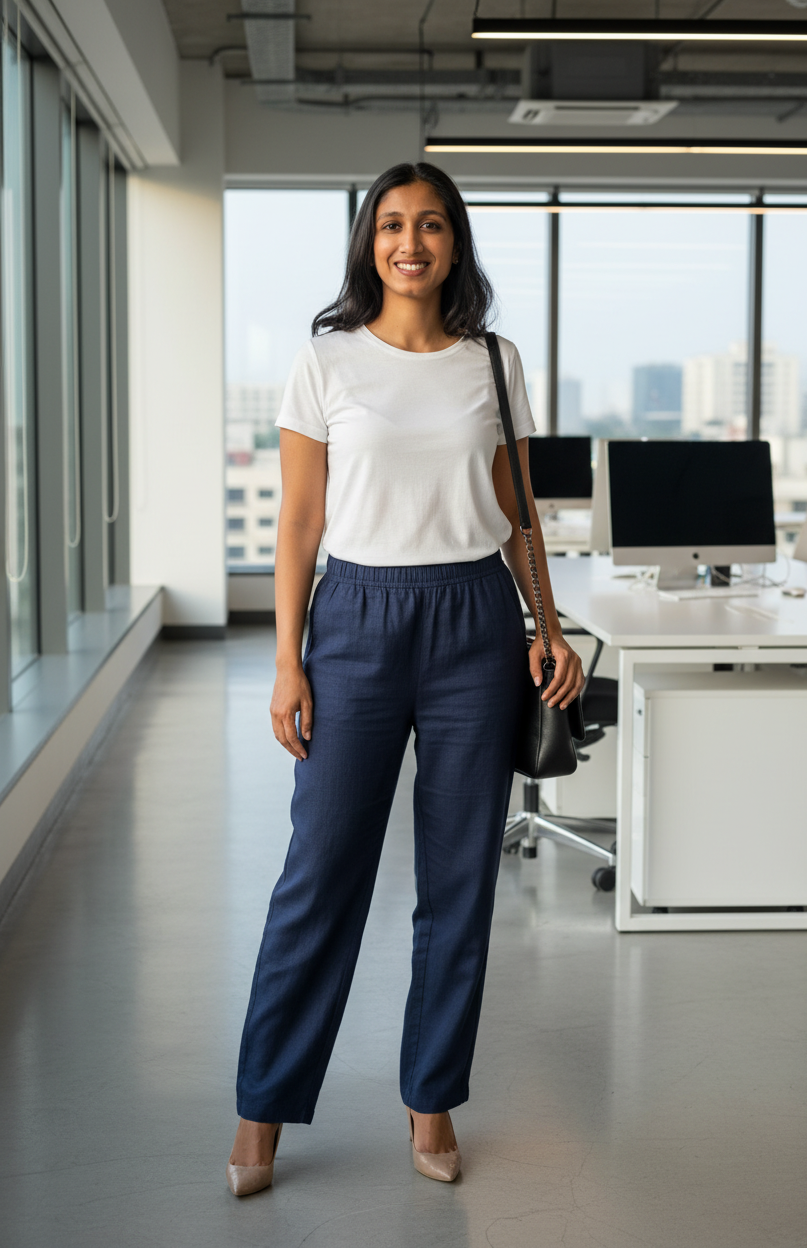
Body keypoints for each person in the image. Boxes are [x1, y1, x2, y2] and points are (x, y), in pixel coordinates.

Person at [226, 162, 584, 1196]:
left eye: (429, 225)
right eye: (391, 225)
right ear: (368, 242)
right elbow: (299, 524)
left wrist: (548, 627)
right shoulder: (326, 360)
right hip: (355, 620)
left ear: (453, 242)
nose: (409, 243)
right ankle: (261, 1109)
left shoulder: (494, 362)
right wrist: (288, 661)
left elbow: (519, 516)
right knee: (319, 873)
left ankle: (432, 1101)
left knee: (459, 881)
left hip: (476, 621)